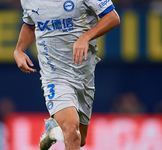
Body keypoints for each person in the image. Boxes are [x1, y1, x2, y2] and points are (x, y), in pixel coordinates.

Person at [14, 0, 120, 150]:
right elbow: (30, 25)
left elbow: (113, 17)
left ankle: (53, 133)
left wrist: (86, 37)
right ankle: (58, 131)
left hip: (83, 74)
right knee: (71, 133)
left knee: (80, 139)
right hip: (54, 75)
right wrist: (19, 50)